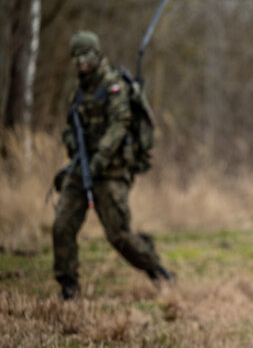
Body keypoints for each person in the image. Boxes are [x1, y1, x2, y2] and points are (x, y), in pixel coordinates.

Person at [53, 30, 173, 300]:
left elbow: (120, 125)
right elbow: (70, 126)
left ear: (97, 54)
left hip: (111, 172)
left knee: (119, 235)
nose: (82, 60)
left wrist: (99, 159)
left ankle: (157, 270)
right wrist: (72, 142)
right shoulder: (78, 91)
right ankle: (68, 284)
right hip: (82, 168)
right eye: (77, 56)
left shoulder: (113, 85)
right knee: (62, 225)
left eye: (86, 54)